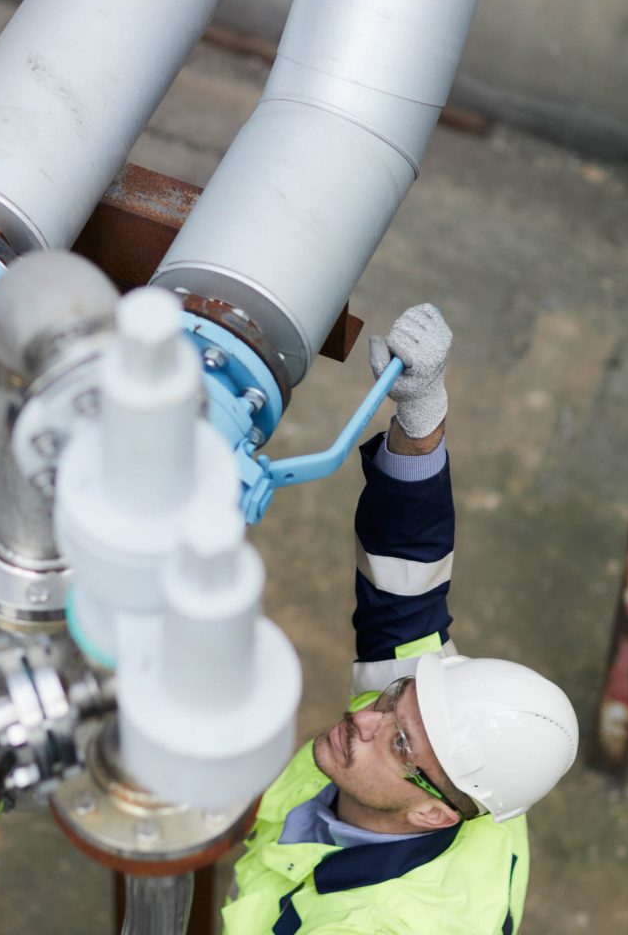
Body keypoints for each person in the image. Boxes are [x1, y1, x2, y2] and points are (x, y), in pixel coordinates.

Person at [222, 305, 579, 935]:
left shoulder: (383, 924)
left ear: (433, 816)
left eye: (399, 742)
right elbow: (406, 581)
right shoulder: (462, 762)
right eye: (394, 698)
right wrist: (421, 420)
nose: (362, 717)